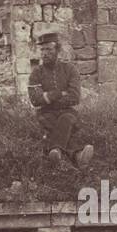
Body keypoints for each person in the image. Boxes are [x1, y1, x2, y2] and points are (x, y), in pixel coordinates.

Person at [27, 32, 94, 166]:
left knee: (66, 119)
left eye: (49, 49)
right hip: (45, 113)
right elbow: (35, 100)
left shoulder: (70, 69)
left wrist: (47, 96)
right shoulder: (36, 73)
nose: (44, 53)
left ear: (57, 50)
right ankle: (77, 155)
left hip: (67, 111)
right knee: (58, 123)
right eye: (42, 49)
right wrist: (59, 93)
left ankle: (54, 150)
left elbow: (75, 97)